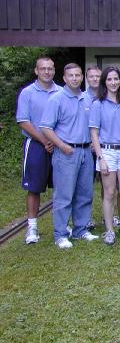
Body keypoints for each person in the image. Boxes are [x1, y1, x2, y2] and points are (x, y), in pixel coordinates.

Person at [39, 63, 99, 248]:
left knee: (85, 193)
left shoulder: (87, 99)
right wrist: (62, 145)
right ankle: (61, 234)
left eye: (78, 75)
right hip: (66, 152)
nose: (75, 78)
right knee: (64, 195)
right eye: (71, 75)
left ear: (82, 77)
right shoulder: (57, 99)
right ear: (64, 78)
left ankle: (81, 229)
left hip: (85, 151)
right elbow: (45, 127)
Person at [89, 67, 120, 246]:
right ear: (104, 82)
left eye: (116, 79)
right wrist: (100, 158)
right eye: (109, 79)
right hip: (107, 152)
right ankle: (109, 230)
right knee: (109, 193)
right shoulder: (98, 104)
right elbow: (94, 133)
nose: (113, 82)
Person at [16, 56, 59, 244]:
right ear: (36, 71)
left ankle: (62, 224)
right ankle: (32, 228)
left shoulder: (61, 92)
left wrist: (54, 141)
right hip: (35, 145)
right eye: (43, 69)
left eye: (50, 69)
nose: (47, 72)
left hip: (58, 146)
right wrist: (44, 140)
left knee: (61, 187)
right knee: (34, 188)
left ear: (54, 71)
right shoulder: (27, 93)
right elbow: (24, 121)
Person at [84, 66, 102, 231]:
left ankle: (109, 215)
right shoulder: (82, 98)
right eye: (92, 76)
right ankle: (86, 218)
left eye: (98, 76)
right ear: (87, 78)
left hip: (105, 148)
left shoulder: (108, 97)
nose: (95, 79)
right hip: (87, 148)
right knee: (85, 184)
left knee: (108, 185)